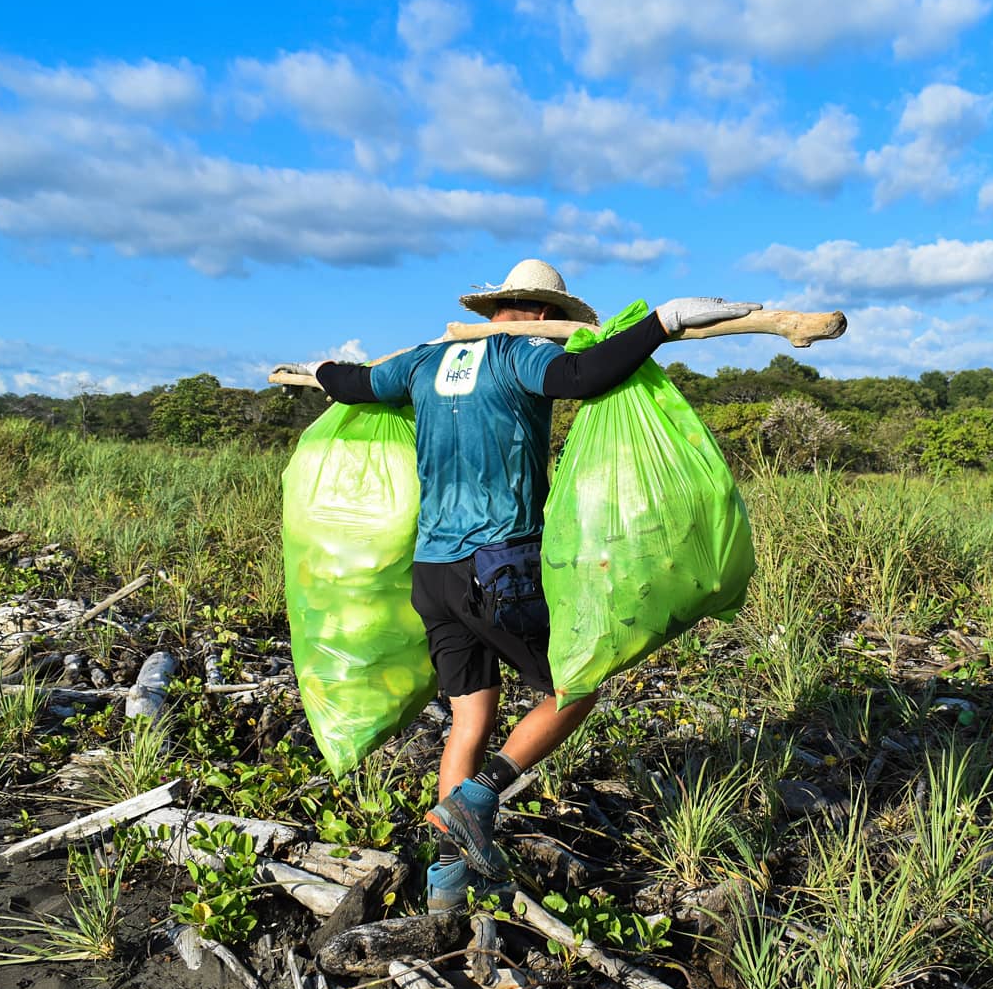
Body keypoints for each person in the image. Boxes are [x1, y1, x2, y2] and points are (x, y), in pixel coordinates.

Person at [277, 259, 761, 910]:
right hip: (500, 566)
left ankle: (447, 881)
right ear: (541, 314)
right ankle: (478, 799)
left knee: (470, 718)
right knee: (577, 684)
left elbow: (354, 383)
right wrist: (663, 323)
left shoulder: (425, 361)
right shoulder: (519, 354)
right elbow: (583, 376)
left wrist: (315, 371)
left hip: (434, 573)